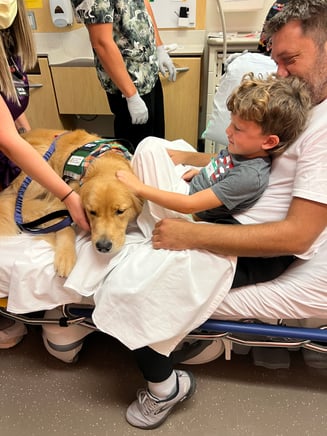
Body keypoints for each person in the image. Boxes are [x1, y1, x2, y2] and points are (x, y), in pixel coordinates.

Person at [117, 0, 327, 429]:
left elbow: (297, 237)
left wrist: (189, 235)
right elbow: (248, 156)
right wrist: (185, 156)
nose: (280, 73)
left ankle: (165, 388)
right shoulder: (303, 106)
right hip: (221, 216)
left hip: (240, 243)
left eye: (290, 60)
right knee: (152, 147)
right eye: (276, 61)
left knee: (131, 291)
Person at [0, 0, 90, 347]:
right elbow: (7, 140)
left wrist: (32, 135)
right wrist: (68, 196)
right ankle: (10, 320)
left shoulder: (11, 40)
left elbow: (12, 107)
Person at [116, 73, 311, 229]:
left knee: (149, 146)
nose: (228, 131)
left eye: (238, 129)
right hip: (193, 186)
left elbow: (189, 205)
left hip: (185, 212)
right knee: (171, 146)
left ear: (269, 142)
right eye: (231, 124)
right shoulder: (245, 150)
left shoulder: (250, 176)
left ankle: (138, 208)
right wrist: (202, 173)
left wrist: (138, 187)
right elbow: (224, 167)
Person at [70, 0, 176, 149]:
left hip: (148, 73)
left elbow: (143, 4)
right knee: (135, 153)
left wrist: (159, 48)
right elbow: (101, 42)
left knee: (155, 146)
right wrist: (131, 95)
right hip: (128, 84)